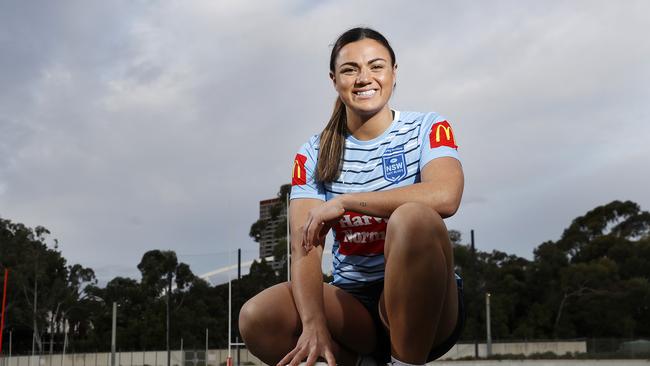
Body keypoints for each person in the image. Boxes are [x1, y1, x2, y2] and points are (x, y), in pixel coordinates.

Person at [239, 27, 465, 366]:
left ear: (394, 73)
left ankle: (405, 362)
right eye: (350, 69)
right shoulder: (313, 152)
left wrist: (346, 202)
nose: (364, 78)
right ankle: (362, 362)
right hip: (353, 306)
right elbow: (305, 250)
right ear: (334, 79)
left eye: (376, 66)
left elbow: (446, 196)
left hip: (428, 305)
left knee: (413, 218)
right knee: (257, 317)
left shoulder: (426, 127)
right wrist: (314, 325)